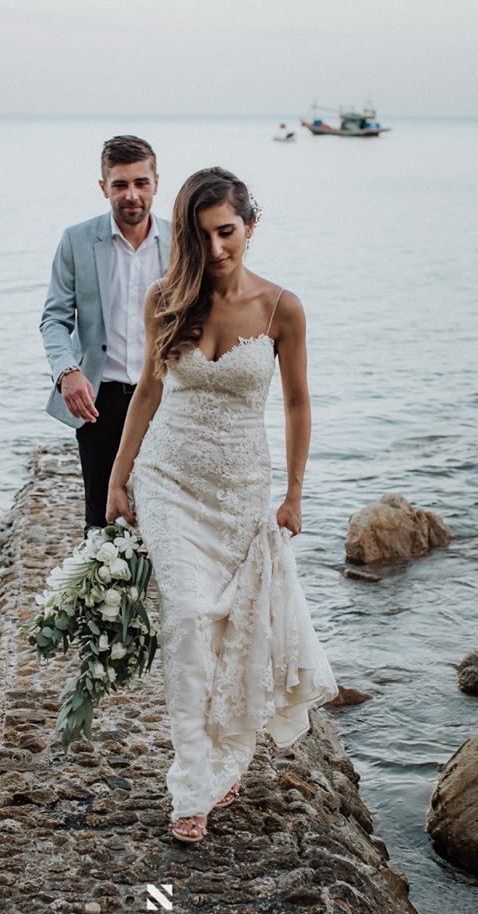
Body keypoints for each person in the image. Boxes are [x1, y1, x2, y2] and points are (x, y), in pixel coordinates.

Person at [106, 167, 339, 843]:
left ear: (249, 225)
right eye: (200, 236)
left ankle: (224, 757)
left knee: (229, 633)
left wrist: (293, 494)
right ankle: (192, 788)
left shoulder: (280, 308)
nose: (214, 250)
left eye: (226, 232)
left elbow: (296, 404)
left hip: (240, 491)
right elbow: (146, 395)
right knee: (185, 620)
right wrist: (117, 481)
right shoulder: (164, 299)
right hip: (168, 479)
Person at [40, 135, 171, 531]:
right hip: (99, 399)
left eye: (140, 183)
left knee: (165, 514)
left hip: (165, 397)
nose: (131, 195)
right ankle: (100, 593)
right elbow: (54, 319)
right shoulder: (76, 240)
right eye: (120, 185)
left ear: (156, 184)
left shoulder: (184, 240)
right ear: (104, 188)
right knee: (101, 518)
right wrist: (67, 371)